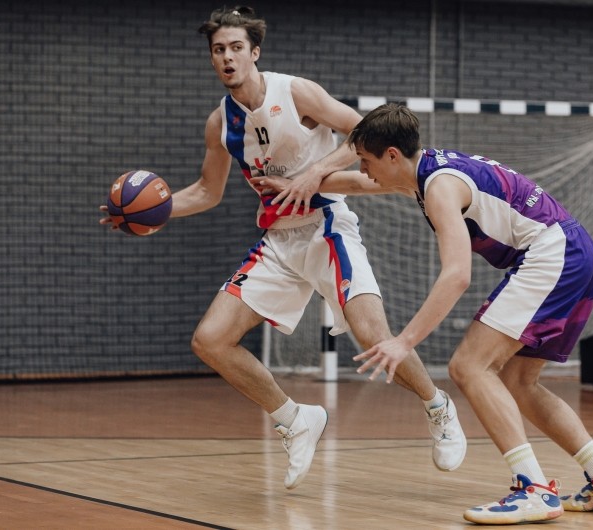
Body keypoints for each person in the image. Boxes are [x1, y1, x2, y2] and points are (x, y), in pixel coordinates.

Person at [100, 7, 466, 490]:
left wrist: (314, 173)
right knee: (210, 340)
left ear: (254, 52)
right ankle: (294, 419)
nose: (227, 57)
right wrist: (150, 213)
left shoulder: (295, 93)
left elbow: (367, 134)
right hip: (279, 239)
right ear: (211, 58)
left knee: (373, 336)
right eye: (218, 50)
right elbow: (207, 191)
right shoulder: (220, 123)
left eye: (236, 48)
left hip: (327, 226)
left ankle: (437, 406)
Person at [259, 102, 593, 522]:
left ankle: (533, 489)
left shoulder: (440, 188)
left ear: (392, 155)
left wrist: (403, 342)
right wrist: (297, 185)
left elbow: (457, 275)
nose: (362, 168)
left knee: (469, 367)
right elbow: (359, 184)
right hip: (574, 252)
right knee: (519, 381)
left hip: (553, 256)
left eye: (366, 159)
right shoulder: (423, 170)